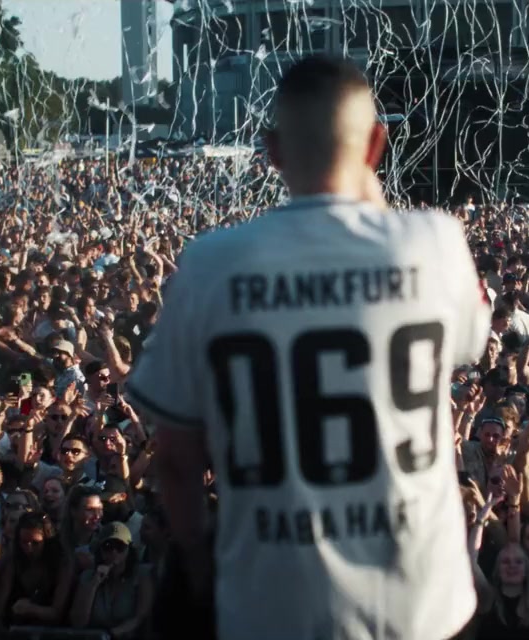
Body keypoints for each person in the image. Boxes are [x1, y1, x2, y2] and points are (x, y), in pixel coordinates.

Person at [130, 56, 490, 639]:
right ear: (377, 144)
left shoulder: (209, 264)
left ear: (272, 150)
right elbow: (470, 344)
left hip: (273, 605)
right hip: (422, 608)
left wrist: (198, 565)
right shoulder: (437, 241)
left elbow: (175, 459)